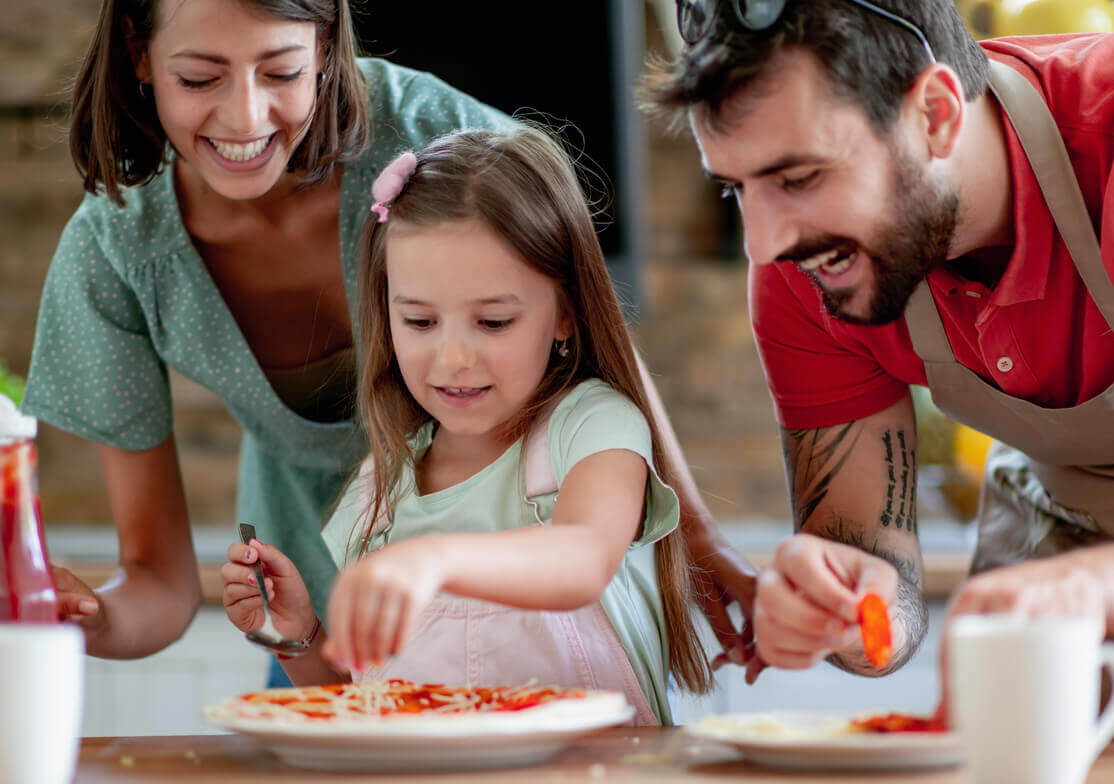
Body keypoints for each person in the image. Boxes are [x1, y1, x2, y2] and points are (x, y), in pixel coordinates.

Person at [21, 0, 759, 681]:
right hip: (326, 563)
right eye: (199, 76)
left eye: (281, 71)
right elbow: (164, 581)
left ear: (326, 47)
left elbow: (594, 325)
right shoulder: (116, 251)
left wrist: (695, 535)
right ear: (139, 54)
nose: (244, 114)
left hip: (526, 560)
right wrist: (86, 618)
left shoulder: (432, 138)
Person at [641, 0, 1114, 772]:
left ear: (935, 114)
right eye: (735, 190)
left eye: (797, 177)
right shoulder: (811, 265)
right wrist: (840, 608)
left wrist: (1086, 592)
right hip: (1050, 605)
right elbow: (879, 599)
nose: (764, 242)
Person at [220, 129, 713, 724]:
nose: (453, 358)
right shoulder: (383, 484)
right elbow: (365, 700)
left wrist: (432, 560)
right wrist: (297, 634)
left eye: (494, 321)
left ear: (565, 315)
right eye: (421, 322)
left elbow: (582, 557)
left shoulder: (592, 426)